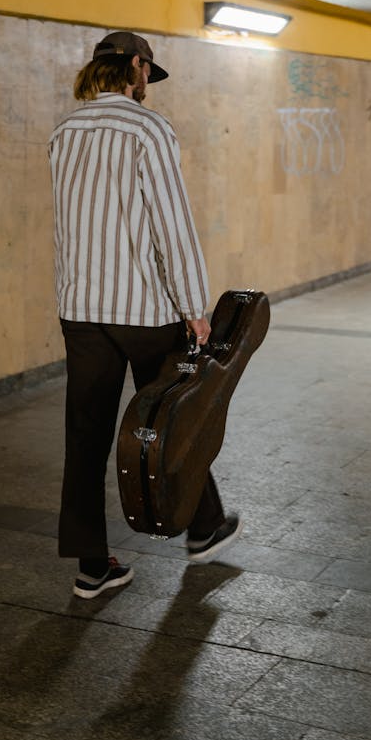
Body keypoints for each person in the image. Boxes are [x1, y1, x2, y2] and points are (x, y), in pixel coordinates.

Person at [49, 30, 242, 599]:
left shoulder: (65, 129)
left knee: (85, 436)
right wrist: (193, 305)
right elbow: (171, 222)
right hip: (142, 307)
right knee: (172, 420)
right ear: (136, 66)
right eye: (146, 74)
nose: (146, 85)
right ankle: (204, 528)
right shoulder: (147, 128)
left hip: (81, 309)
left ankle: (92, 566)